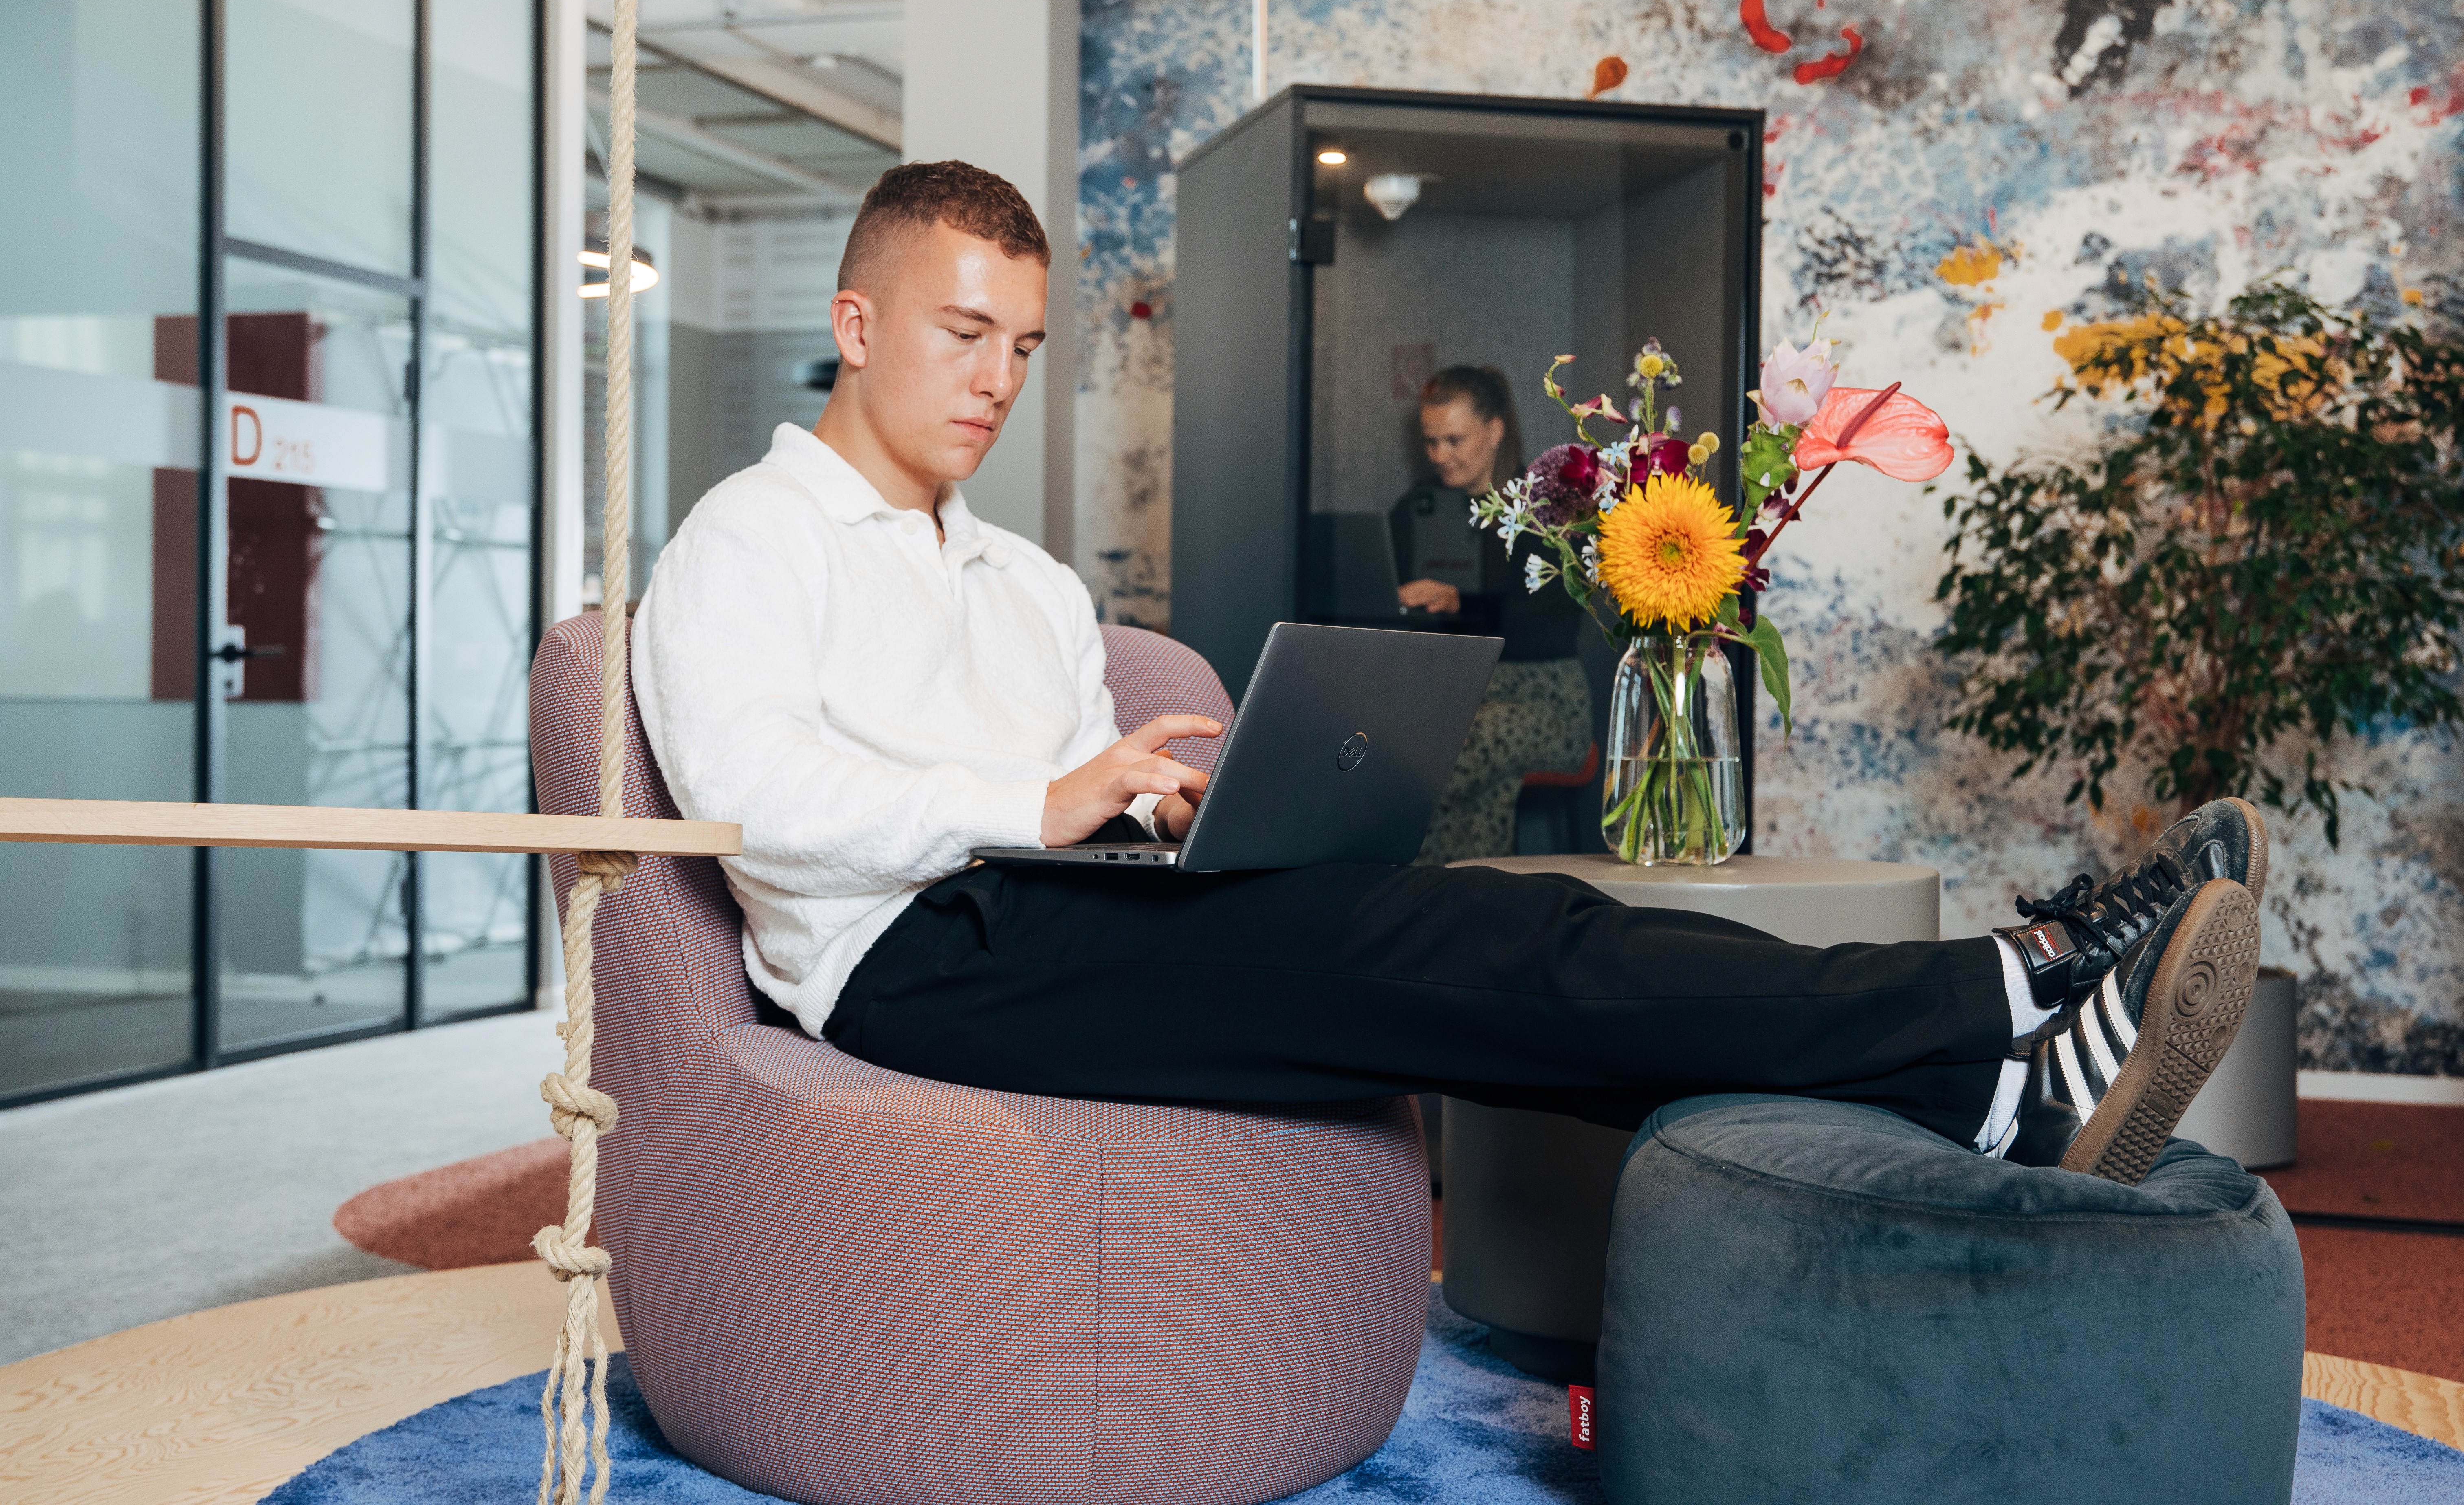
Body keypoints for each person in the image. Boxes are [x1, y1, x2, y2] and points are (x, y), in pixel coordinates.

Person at [634, 159, 2264, 1187]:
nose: (995, 381)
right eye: (959, 333)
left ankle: (1992, 1099)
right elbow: (752, 803)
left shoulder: (1029, 581)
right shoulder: (746, 538)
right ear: (855, 321)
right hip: (914, 967)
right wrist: (1044, 799)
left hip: (1051, 916)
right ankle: (2009, 984)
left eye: (1023, 348)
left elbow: (1078, 810)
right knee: (1482, 939)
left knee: (1508, 943)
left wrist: (1157, 815)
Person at [1389, 365, 1589, 864]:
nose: (1440, 456)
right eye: (1431, 442)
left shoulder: (1546, 510)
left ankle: (1419, 894)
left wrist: (1461, 602)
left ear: (1495, 430)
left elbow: (1552, 624)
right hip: (1456, 697)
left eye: (1454, 440)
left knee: (1444, 748)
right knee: (1408, 742)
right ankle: (1449, 902)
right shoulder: (1419, 511)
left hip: (1545, 700)